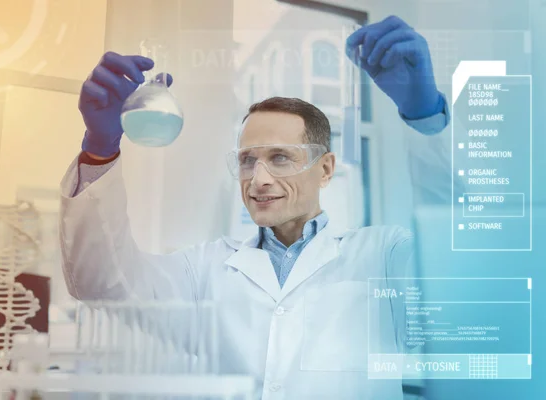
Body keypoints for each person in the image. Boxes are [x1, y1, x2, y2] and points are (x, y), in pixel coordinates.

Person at [60, 16, 452, 399]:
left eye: (281, 157)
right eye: (248, 159)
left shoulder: (382, 258)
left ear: (326, 169)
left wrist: (426, 117)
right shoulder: (204, 271)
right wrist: (99, 150)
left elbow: (459, 255)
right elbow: (102, 281)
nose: (258, 179)